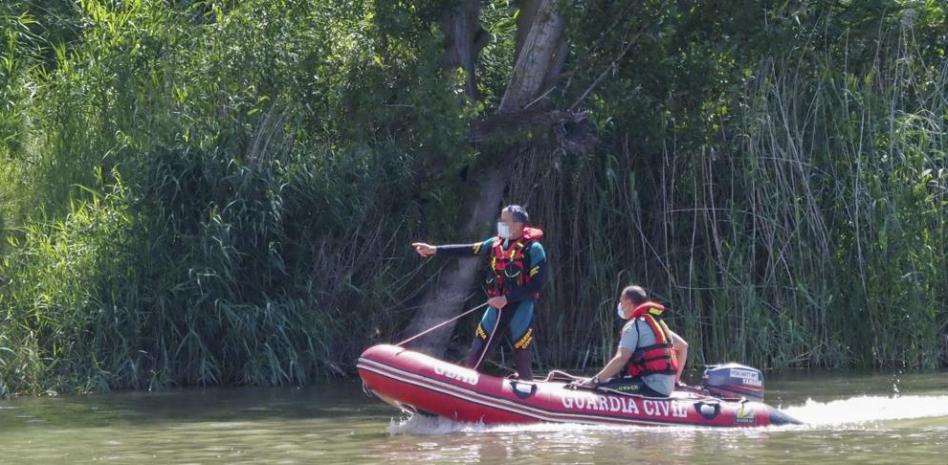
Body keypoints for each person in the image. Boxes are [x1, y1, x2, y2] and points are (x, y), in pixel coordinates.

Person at [412, 204, 547, 380]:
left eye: (504, 221)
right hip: (496, 306)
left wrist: (506, 299)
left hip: (520, 306)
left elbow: (536, 286)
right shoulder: (495, 244)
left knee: (521, 353)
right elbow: (468, 249)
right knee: (477, 348)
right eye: (500, 220)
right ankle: (466, 386)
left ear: (519, 225)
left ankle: (527, 387)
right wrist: (435, 250)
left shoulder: (534, 249)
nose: (500, 224)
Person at [569, 285, 688, 397]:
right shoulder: (657, 325)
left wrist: (595, 381)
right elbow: (683, 346)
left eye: (621, 301)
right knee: (607, 382)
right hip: (665, 388)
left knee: (601, 387)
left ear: (629, 303)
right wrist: (675, 380)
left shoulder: (633, 326)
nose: (620, 306)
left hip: (650, 386)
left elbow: (621, 358)